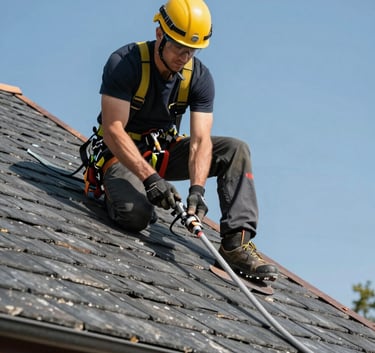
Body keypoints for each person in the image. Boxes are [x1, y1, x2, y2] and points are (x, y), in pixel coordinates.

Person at [96, 0, 278, 281]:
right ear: (160, 34)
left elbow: (200, 141)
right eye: (179, 47)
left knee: (235, 149)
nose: (185, 56)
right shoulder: (125, 63)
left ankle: (235, 245)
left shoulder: (199, 77)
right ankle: (115, 192)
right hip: (122, 154)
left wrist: (197, 190)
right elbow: (113, 130)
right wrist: (150, 179)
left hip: (164, 151)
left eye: (192, 50)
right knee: (134, 216)